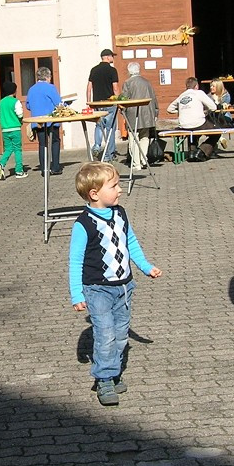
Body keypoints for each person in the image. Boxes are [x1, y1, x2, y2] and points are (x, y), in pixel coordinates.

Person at [69, 162, 162, 405]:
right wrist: (77, 294)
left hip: (124, 286)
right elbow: (75, 261)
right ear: (95, 193)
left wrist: (145, 266)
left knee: (121, 334)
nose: (120, 190)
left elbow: (131, 242)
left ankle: (113, 370)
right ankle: (104, 379)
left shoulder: (120, 213)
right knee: (106, 334)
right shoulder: (83, 224)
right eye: (114, 186)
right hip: (97, 289)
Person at [167, 76, 222, 162]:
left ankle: (192, 152)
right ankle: (202, 151)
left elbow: (169, 109)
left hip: (184, 124)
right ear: (196, 86)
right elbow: (213, 107)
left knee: (192, 132)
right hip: (198, 122)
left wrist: (182, 110)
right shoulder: (199, 93)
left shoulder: (182, 95)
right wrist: (205, 110)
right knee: (217, 132)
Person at [25, 65, 63, 175]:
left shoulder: (31, 89)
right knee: (55, 142)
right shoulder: (50, 87)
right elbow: (58, 103)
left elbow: (28, 105)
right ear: (47, 76)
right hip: (51, 120)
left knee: (42, 144)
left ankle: (44, 169)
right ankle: (55, 167)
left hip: (37, 121)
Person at [120, 61, 159, 171]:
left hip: (133, 114)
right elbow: (154, 98)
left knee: (133, 138)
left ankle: (137, 163)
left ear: (129, 71)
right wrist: (156, 112)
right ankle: (143, 158)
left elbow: (124, 99)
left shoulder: (127, 83)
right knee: (145, 137)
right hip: (147, 113)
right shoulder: (147, 82)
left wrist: (121, 110)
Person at [87, 48, 120, 161]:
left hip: (96, 103)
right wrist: (119, 101)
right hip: (110, 103)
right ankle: (108, 154)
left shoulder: (94, 70)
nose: (113, 58)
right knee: (110, 128)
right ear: (107, 57)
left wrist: (89, 102)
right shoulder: (112, 70)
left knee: (99, 126)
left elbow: (89, 87)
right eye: (112, 56)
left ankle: (97, 145)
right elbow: (115, 87)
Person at [0, 79, 27, 179]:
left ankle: (1, 164)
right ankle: (19, 171)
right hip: (15, 129)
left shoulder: (1, 103)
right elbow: (20, 114)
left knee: (8, 149)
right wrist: (20, 120)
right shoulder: (15, 101)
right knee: (18, 150)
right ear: (14, 91)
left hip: (5, 130)